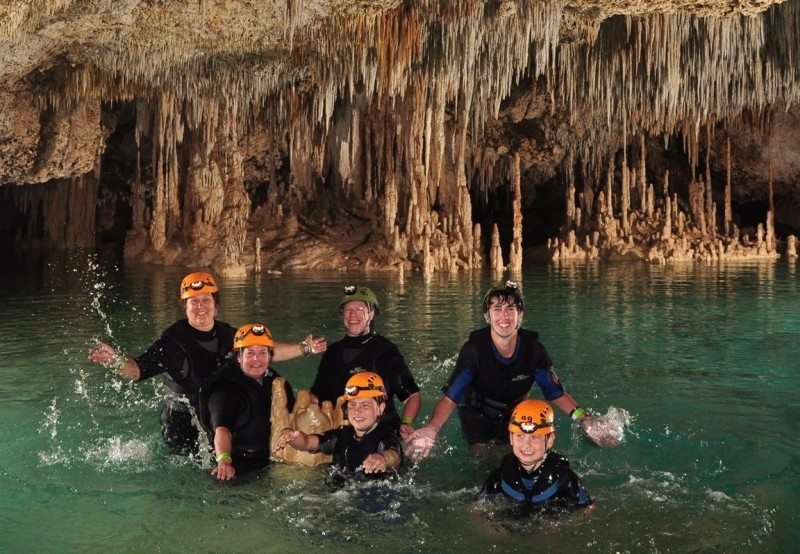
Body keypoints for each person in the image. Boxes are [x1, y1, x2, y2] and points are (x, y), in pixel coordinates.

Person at [88, 271, 326, 454]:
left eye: (206, 300)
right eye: (194, 301)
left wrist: (304, 348)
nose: (200, 307)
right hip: (185, 425)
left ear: (216, 305)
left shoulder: (229, 334)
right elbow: (138, 370)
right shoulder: (172, 341)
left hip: (219, 413)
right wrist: (116, 361)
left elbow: (263, 351)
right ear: (185, 306)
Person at [408, 280, 615, 459]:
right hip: (476, 412)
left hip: (514, 412)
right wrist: (432, 428)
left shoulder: (534, 351)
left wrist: (584, 418)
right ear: (487, 316)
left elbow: (555, 392)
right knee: (481, 458)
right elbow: (451, 398)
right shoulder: (474, 350)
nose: (504, 317)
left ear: (521, 315)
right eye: (497, 309)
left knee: (514, 457)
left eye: (510, 310)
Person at [309, 285, 421, 439]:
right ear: (342, 315)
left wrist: (406, 423)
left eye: (360, 309)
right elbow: (315, 397)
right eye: (348, 310)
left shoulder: (384, 350)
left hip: (381, 432)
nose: (353, 315)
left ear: (371, 314)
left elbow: (412, 396)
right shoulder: (332, 352)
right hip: (340, 433)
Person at [199, 323, 294, 481]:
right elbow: (222, 429)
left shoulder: (275, 382)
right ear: (239, 357)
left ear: (270, 357)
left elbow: (292, 413)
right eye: (250, 353)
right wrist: (224, 461)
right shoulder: (224, 389)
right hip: (237, 466)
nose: (256, 359)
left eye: (262, 352)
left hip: (268, 459)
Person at [273, 372, 403, 483]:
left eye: (364, 405)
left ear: (380, 408)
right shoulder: (342, 435)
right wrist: (290, 434)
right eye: (352, 405)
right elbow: (307, 442)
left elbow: (393, 454)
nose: (357, 411)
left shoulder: (386, 436)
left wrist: (382, 458)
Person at [481, 399, 593, 513]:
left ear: (549, 439)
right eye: (520, 436)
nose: (527, 444)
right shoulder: (501, 475)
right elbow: (478, 511)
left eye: (535, 437)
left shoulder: (563, 478)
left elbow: (588, 510)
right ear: (511, 438)